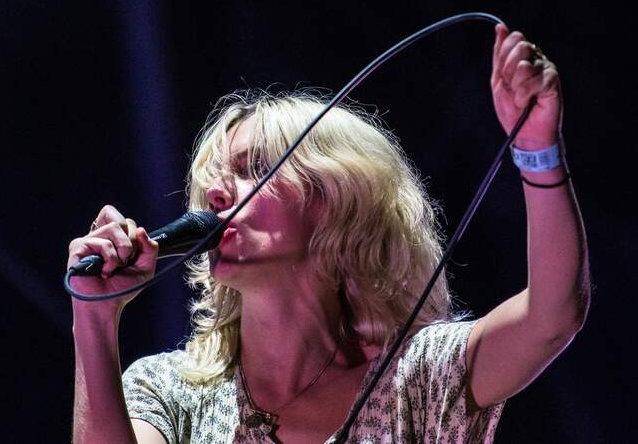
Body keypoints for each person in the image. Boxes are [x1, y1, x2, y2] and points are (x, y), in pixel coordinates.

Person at [69, 24, 589, 444]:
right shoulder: (171, 393)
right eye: (211, 183)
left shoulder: (420, 377)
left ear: (332, 200)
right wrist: (94, 317)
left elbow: (552, 316)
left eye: (253, 169)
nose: (218, 193)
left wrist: (538, 152)